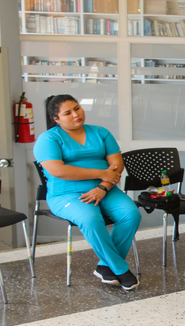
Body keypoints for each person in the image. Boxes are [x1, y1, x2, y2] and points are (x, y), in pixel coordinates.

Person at [34, 94, 141, 291]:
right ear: (56, 119)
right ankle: (120, 268)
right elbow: (58, 171)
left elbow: (117, 165)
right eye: (68, 113)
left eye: (77, 108)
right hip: (66, 194)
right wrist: (102, 173)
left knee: (131, 214)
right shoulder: (48, 139)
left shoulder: (100, 132)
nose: (76, 114)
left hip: (105, 188)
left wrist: (102, 187)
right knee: (91, 218)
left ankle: (104, 266)